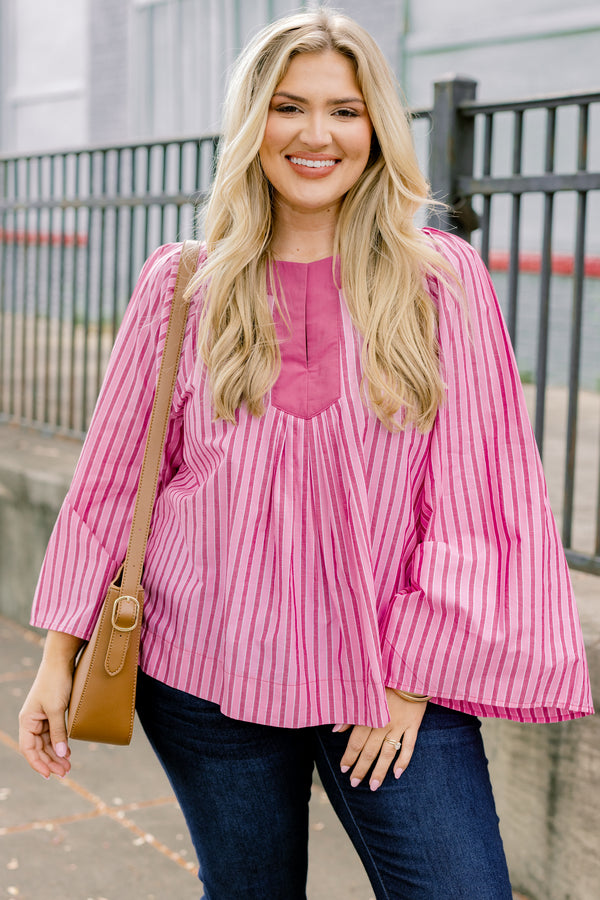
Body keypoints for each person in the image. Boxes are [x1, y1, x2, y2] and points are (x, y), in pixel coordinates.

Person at [19, 8, 593, 899]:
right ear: (255, 124)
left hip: (387, 667)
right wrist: (56, 662)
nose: (316, 134)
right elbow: (113, 481)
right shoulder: (183, 284)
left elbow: (481, 495)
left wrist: (412, 684)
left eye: (345, 110)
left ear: (376, 129)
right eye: (289, 107)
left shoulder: (441, 281)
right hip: (205, 665)